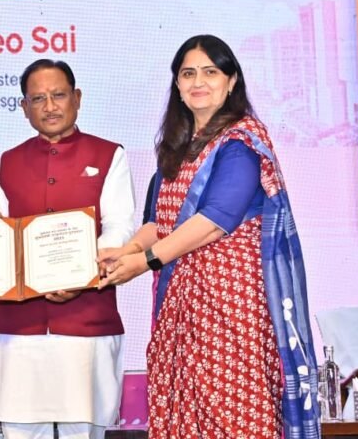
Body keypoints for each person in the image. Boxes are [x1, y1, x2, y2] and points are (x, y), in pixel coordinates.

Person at [98, 35, 319, 439]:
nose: (198, 82)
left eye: (210, 72)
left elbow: (215, 219)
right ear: (177, 85)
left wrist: (145, 261)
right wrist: (124, 252)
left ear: (231, 81)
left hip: (230, 309)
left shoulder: (241, 141)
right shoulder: (177, 147)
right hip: (182, 309)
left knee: (233, 415)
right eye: (188, 74)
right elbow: (159, 222)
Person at [0, 59, 136, 439]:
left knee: (83, 430)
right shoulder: (8, 161)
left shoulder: (108, 155)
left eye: (58, 95)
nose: (49, 106)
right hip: (18, 329)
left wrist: (79, 275)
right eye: (38, 99)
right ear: (24, 108)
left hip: (86, 323)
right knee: (19, 428)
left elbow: (119, 226)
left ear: (77, 98)